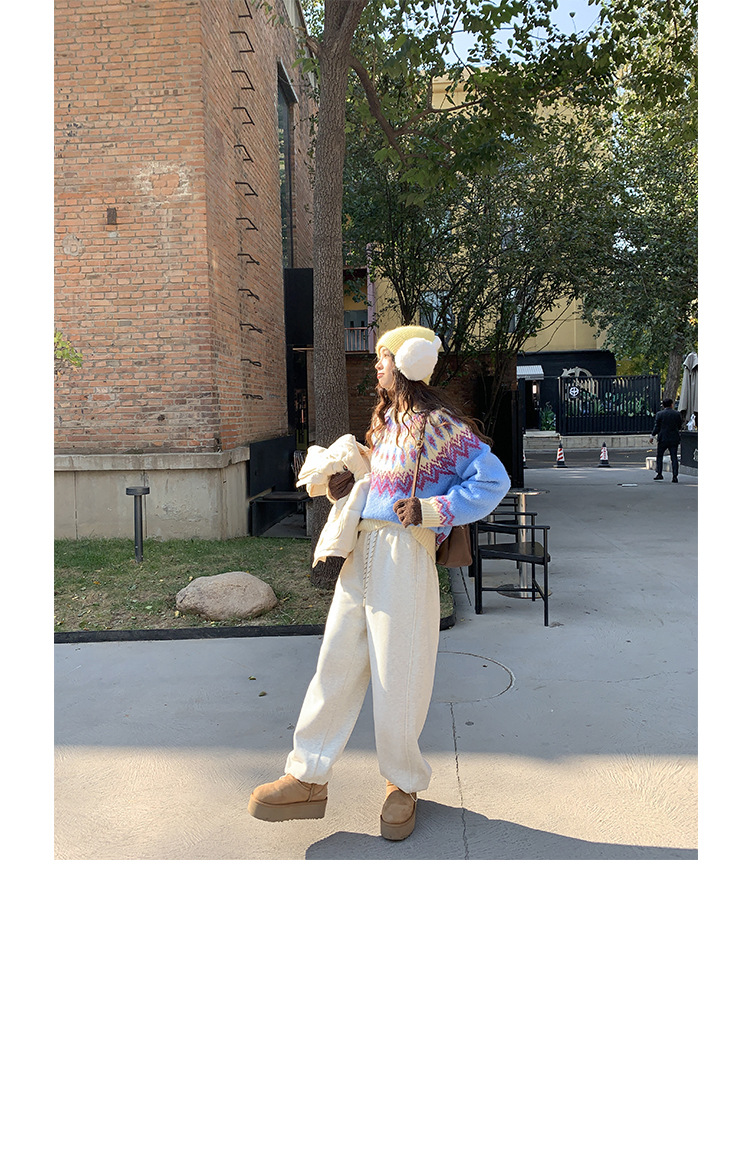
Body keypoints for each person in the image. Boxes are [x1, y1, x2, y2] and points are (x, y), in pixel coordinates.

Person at [247, 324, 511, 841]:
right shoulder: (387, 423)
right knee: (335, 663)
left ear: (407, 361)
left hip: (405, 554)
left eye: (383, 357)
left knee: (399, 674)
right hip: (363, 551)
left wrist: (434, 510)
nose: (376, 365)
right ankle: (307, 777)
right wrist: (347, 485)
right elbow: (380, 485)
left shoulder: (439, 426)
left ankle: (402, 783)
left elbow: (492, 479)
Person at [649, 397, 683, 482]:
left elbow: (657, 426)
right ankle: (675, 476)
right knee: (674, 457)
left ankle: (659, 473)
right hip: (674, 438)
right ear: (672, 405)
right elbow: (680, 425)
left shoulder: (659, 414)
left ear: (663, 405)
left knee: (659, 456)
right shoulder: (677, 414)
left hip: (663, 438)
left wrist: (652, 436)